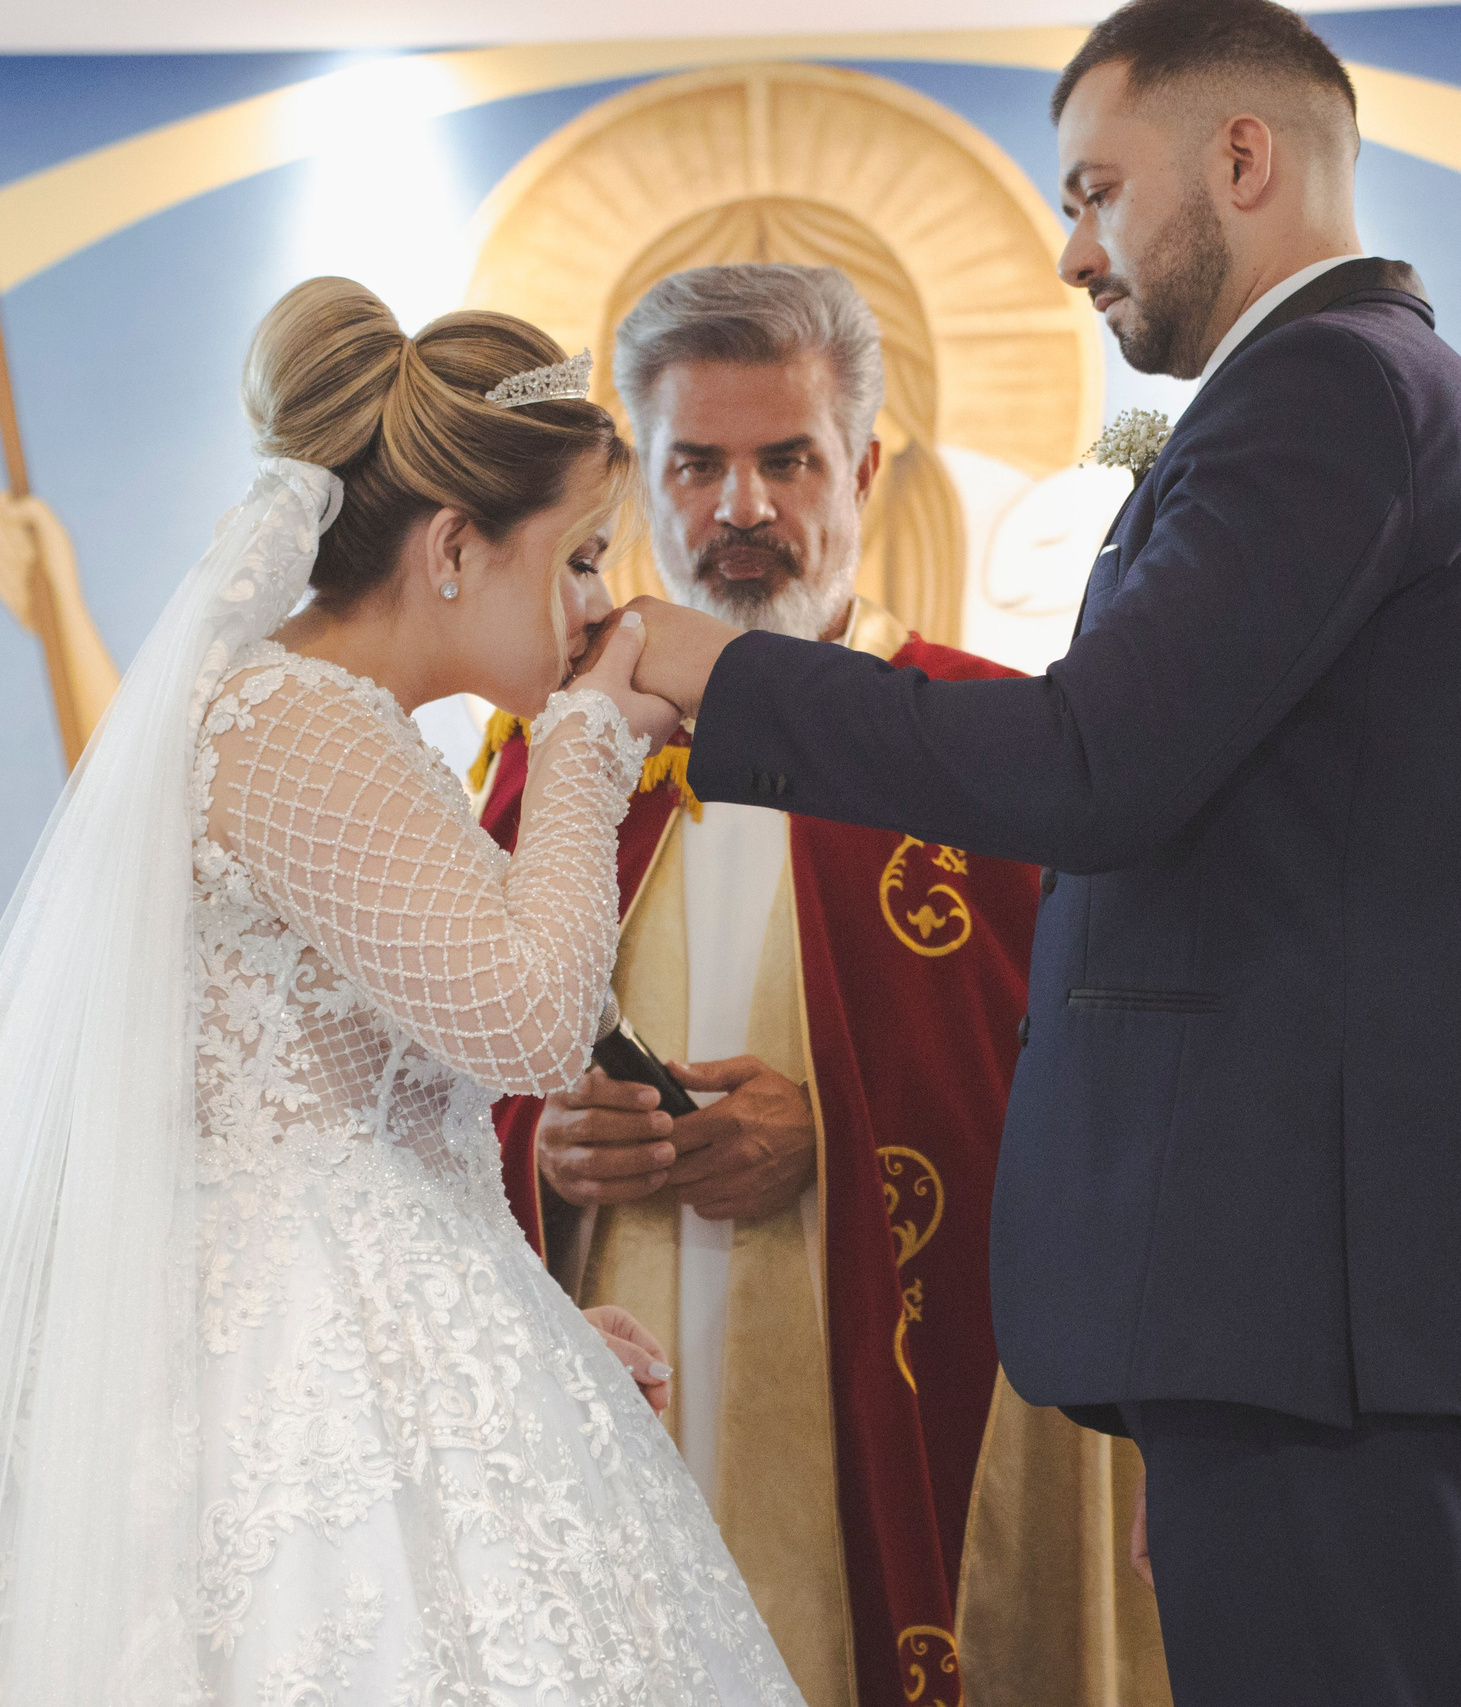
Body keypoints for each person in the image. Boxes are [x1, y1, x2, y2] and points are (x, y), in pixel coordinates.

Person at [619, 3, 1461, 1703]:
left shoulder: (1329, 398)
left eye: (1095, 190)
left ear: (1241, 158)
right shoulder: (1341, 401)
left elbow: (1093, 764)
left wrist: (731, 677)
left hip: (1307, 1312)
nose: (1072, 252)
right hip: (1282, 1318)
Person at [0, 277, 806, 1707]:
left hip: (372, 1347)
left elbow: (399, 1114)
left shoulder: (351, 733)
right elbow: (530, 1024)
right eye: (579, 558)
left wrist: (519, 1335)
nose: (597, 607)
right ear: (455, 548)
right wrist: (592, 741)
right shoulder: (289, 722)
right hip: (278, 1387)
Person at [473, 263, 1168, 1707]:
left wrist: (841, 1144)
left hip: (900, 1400)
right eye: (699, 464)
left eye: (786, 459)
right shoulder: (556, 754)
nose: (742, 508)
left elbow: (1101, 1111)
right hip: (626, 1386)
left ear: (860, 465)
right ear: (638, 487)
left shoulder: (991, 747)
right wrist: (546, 1152)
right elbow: (433, 1086)